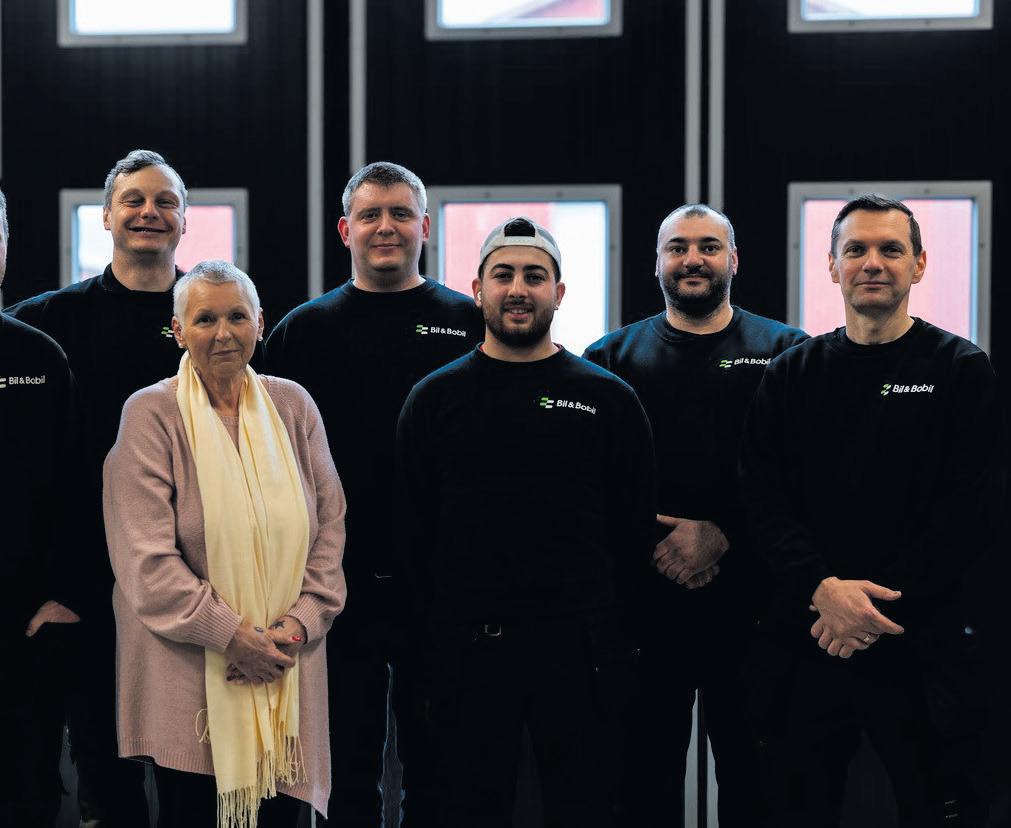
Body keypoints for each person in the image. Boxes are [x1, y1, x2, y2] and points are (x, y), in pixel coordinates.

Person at [739, 194, 1004, 827]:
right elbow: (762, 498)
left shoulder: (960, 369)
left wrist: (868, 608)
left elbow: (969, 510)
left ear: (919, 265)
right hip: (812, 639)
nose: (873, 263)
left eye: (891, 249)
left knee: (941, 807)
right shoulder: (792, 373)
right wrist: (820, 588)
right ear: (832, 266)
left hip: (919, 643)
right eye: (855, 249)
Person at [396, 216, 656, 827]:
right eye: (503, 275)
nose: (518, 289)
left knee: (585, 809)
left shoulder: (607, 399)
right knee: (465, 810)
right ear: (477, 289)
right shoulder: (434, 399)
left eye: (535, 277)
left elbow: (632, 531)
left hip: (580, 654)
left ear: (558, 293)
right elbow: (412, 532)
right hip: (466, 653)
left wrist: (619, 644)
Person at [264, 161, 482, 825]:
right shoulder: (302, 332)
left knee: (440, 771)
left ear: (424, 227)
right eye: (370, 215)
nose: (385, 227)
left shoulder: (469, 322)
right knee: (344, 774)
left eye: (399, 214)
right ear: (345, 229)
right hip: (334, 582)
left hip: (442, 582)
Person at [583, 203, 807, 825]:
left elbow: (802, 479)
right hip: (645, 612)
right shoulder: (609, 358)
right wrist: (662, 544)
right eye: (677, 247)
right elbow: (593, 485)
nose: (693, 259)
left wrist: (723, 533)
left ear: (734, 260)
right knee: (642, 789)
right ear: (656, 263)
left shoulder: (787, 352)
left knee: (758, 790)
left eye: (709, 247)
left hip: (755, 609)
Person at [102, 261, 346, 827]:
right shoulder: (150, 414)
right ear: (178, 330)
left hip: (287, 666)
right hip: (189, 684)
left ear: (260, 323)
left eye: (237, 316)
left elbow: (330, 529)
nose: (223, 333)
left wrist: (297, 626)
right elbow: (145, 562)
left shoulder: (294, 406)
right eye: (204, 319)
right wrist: (232, 637)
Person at [4, 149, 192, 825]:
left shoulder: (216, 318)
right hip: (87, 595)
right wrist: (55, 591)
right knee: (106, 783)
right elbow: (35, 477)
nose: (149, 212)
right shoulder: (44, 325)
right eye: (133, 200)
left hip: (196, 588)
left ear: (184, 220)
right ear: (107, 217)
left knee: (194, 781)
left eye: (165, 201)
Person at [0, 188, 83, 826]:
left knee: (26, 794)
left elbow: (73, 487)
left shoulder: (37, 356)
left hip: (25, 628)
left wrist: (64, 596)